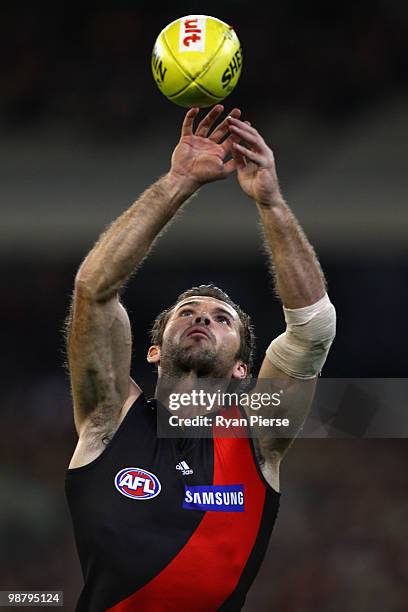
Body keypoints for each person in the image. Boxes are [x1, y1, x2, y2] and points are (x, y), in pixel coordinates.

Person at [65, 105, 336, 611]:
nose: (203, 319)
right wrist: (178, 182)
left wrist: (272, 203)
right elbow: (94, 291)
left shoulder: (258, 435)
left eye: (222, 318)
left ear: (242, 369)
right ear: (152, 350)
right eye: (187, 312)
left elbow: (312, 330)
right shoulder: (107, 421)